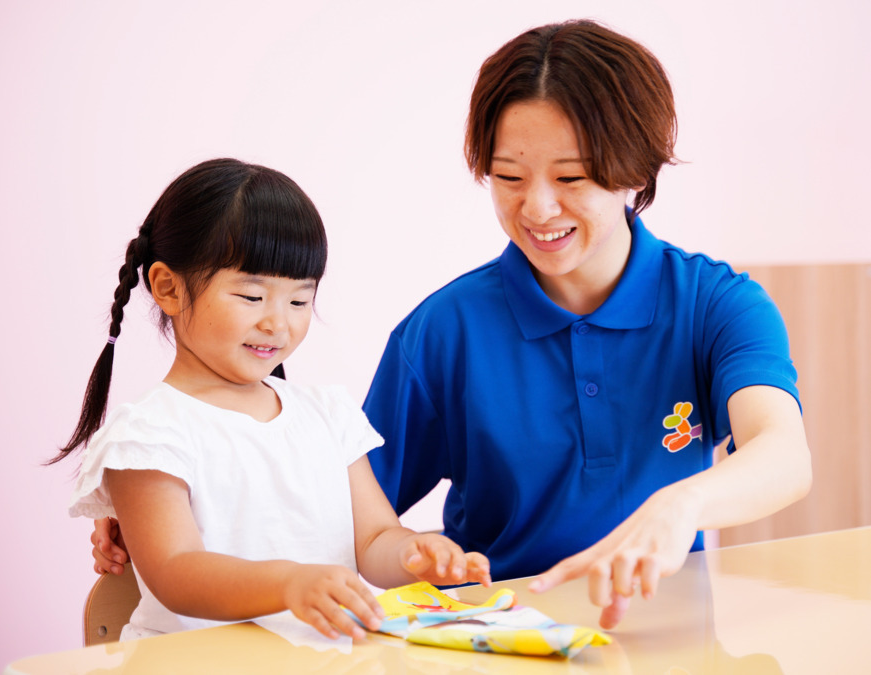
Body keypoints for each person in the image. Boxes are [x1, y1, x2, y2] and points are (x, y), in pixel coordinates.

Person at [91, 20, 812, 630]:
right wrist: (166, 509)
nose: (535, 208)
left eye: (570, 178)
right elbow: (341, 515)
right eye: (507, 176)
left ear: (635, 170)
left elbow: (783, 454)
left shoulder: (715, 303)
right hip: (497, 635)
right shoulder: (442, 332)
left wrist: (679, 505)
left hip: (668, 630)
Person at [54, 158, 490, 642]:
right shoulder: (148, 435)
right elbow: (177, 573)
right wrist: (290, 582)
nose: (278, 323)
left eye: (299, 301)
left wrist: (416, 553)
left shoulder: (327, 416)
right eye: (251, 297)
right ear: (168, 288)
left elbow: (373, 540)